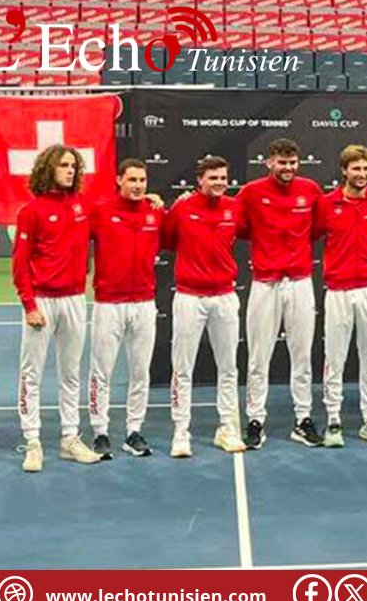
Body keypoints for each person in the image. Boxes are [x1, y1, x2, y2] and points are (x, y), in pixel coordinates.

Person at [12, 144, 102, 472]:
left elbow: (116, 216)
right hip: (42, 302)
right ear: (48, 168)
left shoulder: (83, 205)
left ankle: (69, 438)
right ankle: (32, 441)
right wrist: (29, 305)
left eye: (74, 166)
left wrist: (150, 200)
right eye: (64, 165)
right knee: (31, 374)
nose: (70, 171)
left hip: (75, 299)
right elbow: (20, 264)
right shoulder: (31, 211)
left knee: (71, 373)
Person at [237, 138, 324, 449]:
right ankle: (255, 419)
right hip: (265, 283)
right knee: (258, 357)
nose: (287, 168)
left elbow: (317, 228)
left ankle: (303, 419)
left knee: (302, 356)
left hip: (300, 282)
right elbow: (237, 225)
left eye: (292, 162)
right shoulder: (251, 192)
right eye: (281, 162)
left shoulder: (310, 190)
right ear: (269, 162)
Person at [162, 156, 246, 457]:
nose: (220, 183)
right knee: (182, 369)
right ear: (200, 180)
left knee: (228, 367)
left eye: (223, 177)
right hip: (189, 297)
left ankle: (227, 428)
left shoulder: (234, 208)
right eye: (213, 178)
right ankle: (180, 432)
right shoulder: (182, 208)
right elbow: (167, 240)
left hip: (224, 296)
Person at [315, 144, 367, 448]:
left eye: (366, 168)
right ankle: (333, 420)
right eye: (356, 168)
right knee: (334, 358)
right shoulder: (327, 204)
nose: (361, 174)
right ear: (344, 170)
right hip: (338, 290)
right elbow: (309, 233)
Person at [86, 158, 163, 459]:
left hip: (144, 303)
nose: (138, 186)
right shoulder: (101, 211)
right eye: (132, 180)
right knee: (101, 371)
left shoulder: (155, 213)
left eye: (142, 180)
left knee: (140, 372)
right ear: (119, 180)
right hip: (109, 303)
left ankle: (134, 431)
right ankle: (100, 432)